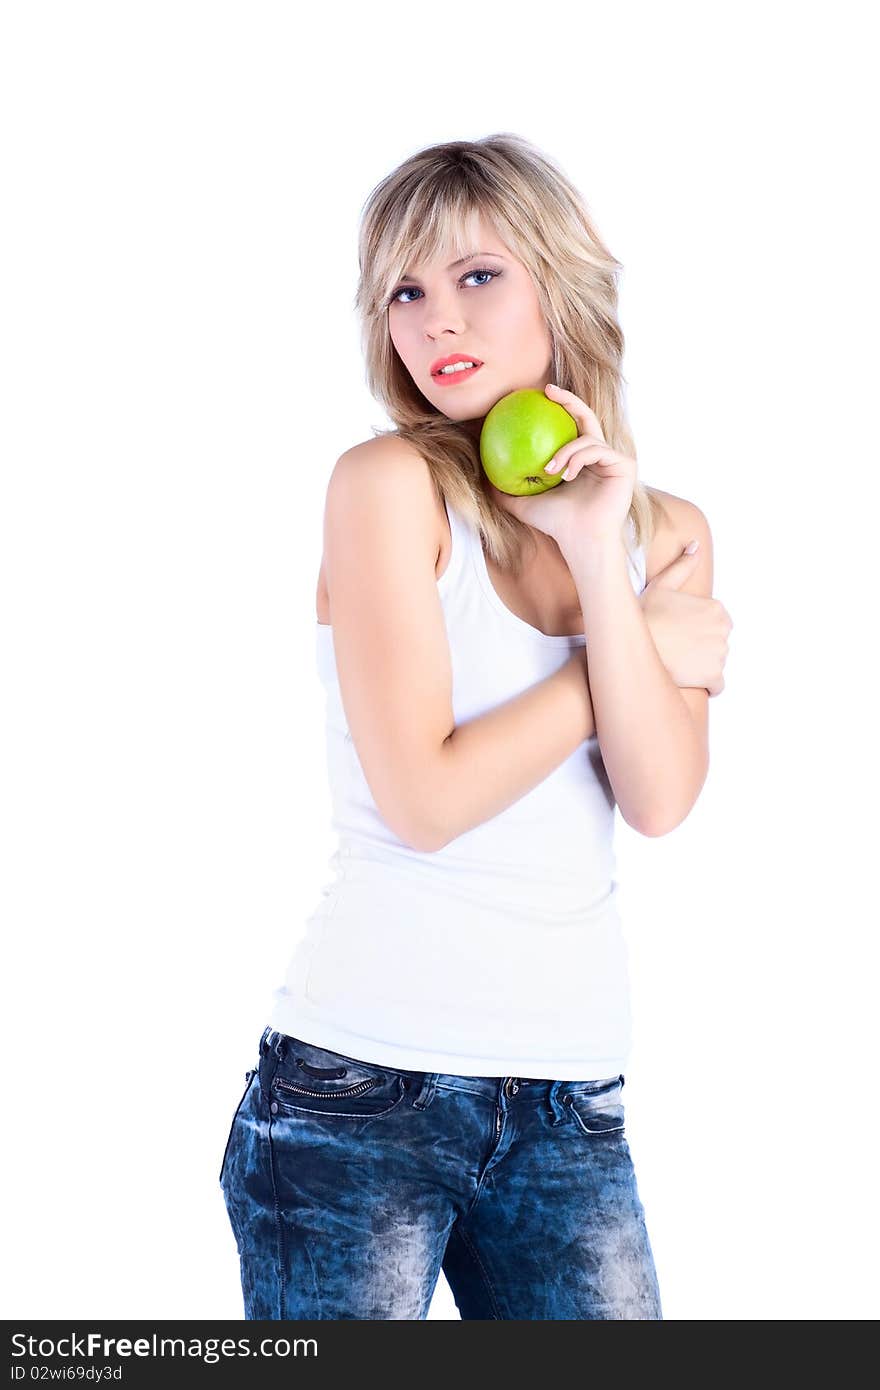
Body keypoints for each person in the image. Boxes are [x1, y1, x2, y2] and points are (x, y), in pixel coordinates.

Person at [218, 133, 732, 1320]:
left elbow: (657, 800)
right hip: (357, 1098)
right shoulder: (385, 486)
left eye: (475, 276)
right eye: (405, 290)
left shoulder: (669, 534)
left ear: (560, 281)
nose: (434, 319)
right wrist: (632, 655)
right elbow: (426, 800)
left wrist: (599, 555)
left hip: (570, 1104)